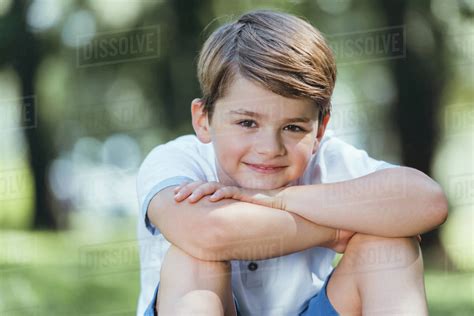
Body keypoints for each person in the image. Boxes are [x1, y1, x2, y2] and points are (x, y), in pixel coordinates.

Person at [136, 10, 448, 316]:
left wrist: (281, 200)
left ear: (319, 130)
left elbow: (428, 201)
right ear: (203, 120)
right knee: (194, 258)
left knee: (390, 244)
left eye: (293, 128)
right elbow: (207, 232)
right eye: (247, 123)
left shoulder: (328, 158)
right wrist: (336, 231)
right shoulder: (176, 160)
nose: (269, 148)